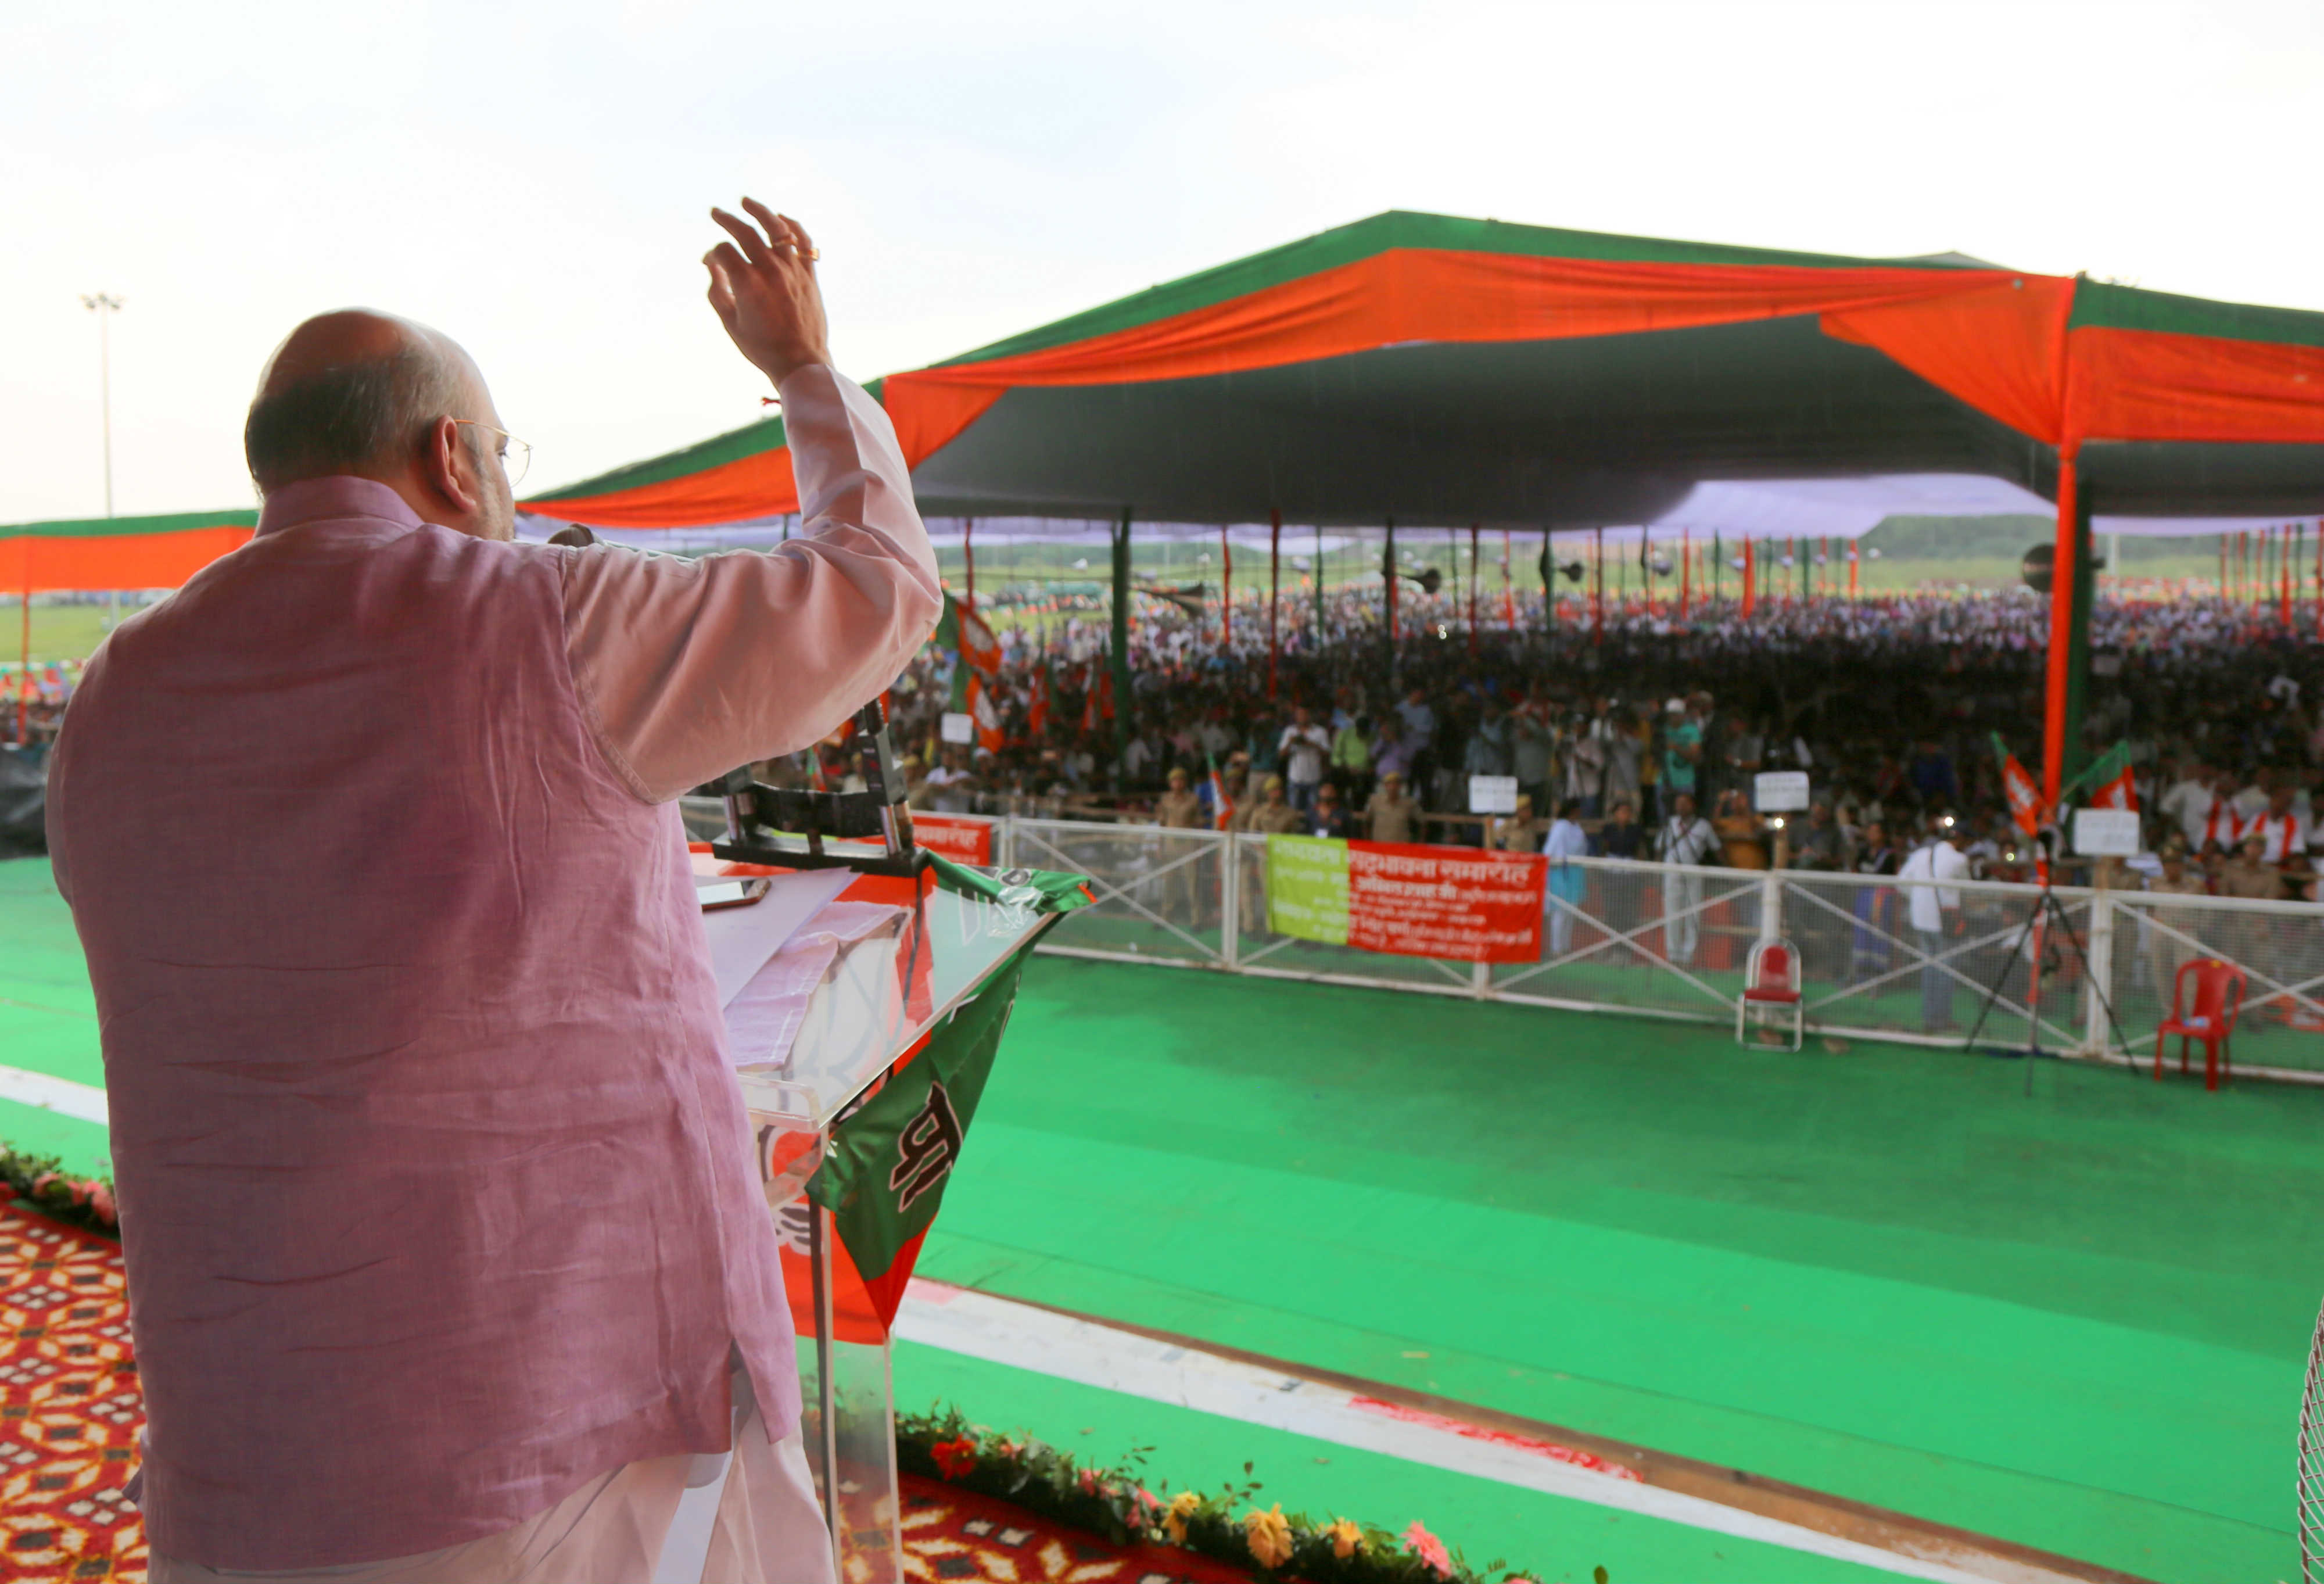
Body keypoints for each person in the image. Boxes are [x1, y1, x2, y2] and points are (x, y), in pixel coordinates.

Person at [49, 202, 912, 1582]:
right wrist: (805, 367)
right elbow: (871, 593)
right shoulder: (535, 616)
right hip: (536, 1437)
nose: (509, 489)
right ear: (449, 454)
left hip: (239, 1454)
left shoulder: (115, 689)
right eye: (503, 456)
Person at [1898, 814, 1971, 1031]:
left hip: (1920, 919)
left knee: (1929, 968)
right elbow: (1968, 888)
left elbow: (1902, 882)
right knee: (1945, 971)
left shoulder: (1921, 854)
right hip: (1944, 922)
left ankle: (1929, 1018)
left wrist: (1920, 900)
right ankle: (1941, 1019)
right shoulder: (1960, 860)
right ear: (1961, 840)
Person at [1656, 792, 1717, 967]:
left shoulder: (1703, 826)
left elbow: (1716, 848)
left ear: (1693, 806)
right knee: (1672, 913)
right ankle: (1673, 956)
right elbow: (1659, 848)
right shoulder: (1670, 824)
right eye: (1679, 803)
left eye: (1686, 803)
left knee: (1693, 914)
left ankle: (1688, 957)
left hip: (1693, 870)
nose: (1682, 807)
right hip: (1672, 870)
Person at [1544, 797, 1591, 956]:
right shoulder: (1560, 826)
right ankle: (1556, 948)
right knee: (1559, 912)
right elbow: (1551, 849)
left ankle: (1566, 947)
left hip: (1575, 872)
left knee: (1570, 913)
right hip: (1560, 872)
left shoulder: (1577, 827)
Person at [1278, 705, 1331, 815]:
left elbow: (1328, 753)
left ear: (1310, 716)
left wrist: (1312, 744)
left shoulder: (1320, 732)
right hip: (1295, 778)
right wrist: (1290, 742)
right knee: (1293, 813)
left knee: (1313, 813)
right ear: (1296, 716)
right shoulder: (1290, 731)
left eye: (1304, 714)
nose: (1302, 717)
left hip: (1314, 779)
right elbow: (1281, 755)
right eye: (1299, 715)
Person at [1365, 768, 1421, 843]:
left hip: (1401, 848)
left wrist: (1420, 843)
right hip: (1379, 847)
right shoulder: (1375, 801)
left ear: (1400, 786)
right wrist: (1367, 843)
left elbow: (1422, 823)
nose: (1392, 787)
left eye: (1396, 784)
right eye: (1389, 784)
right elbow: (1367, 822)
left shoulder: (1409, 803)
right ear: (1385, 786)